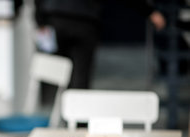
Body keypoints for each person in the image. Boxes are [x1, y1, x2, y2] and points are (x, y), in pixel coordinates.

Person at [34, 0, 166, 89]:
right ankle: (74, 123)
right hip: (82, 20)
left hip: (57, 17)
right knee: (74, 77)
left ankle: (67, 122)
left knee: (61, 77)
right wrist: (149, 11)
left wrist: (39, 19)